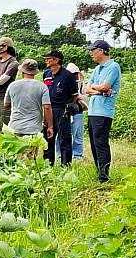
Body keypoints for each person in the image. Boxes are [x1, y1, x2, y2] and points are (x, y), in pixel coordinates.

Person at [85, 40, 121, 183]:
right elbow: (87, 89)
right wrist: (99, 90)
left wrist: (98, 88)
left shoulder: (113, 66)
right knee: (94, 143)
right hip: (93, 111)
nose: (91, 54)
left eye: (93, 51)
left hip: (103, 112)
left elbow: (106, 86)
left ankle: (104, 176)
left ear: (101, 51)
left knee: (101, 143)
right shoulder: (97, 69)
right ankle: (99, 171)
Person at [41, 50, 78, 167]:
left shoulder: (67, 75)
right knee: (47, 137)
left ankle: (65, 165)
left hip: (62, 110)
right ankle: (48, 165)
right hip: (48, 109)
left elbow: (74, 95)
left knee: (64, 139)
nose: (46, 61)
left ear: (56, 60)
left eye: (49, 59)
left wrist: (68, 106)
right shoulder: (46, 74)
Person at [3, 59, 53, 139]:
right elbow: (47, 107)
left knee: (16, 147)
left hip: (15, 127)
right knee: (32, 148)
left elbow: (6, 104)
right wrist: (50, 126)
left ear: (22, 71)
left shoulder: (12, 85)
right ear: (35, 72)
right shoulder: (42, 86)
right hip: (33, 129)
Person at [65, 63, 87, 159]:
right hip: (66, 110)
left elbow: (86, 97)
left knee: (78, 134)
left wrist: (77, 95)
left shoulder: (81, 83)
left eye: (75, 73)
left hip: (78, 110)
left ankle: (78, 154)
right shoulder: (63, 82)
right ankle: (60, 154)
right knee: (63, 134)